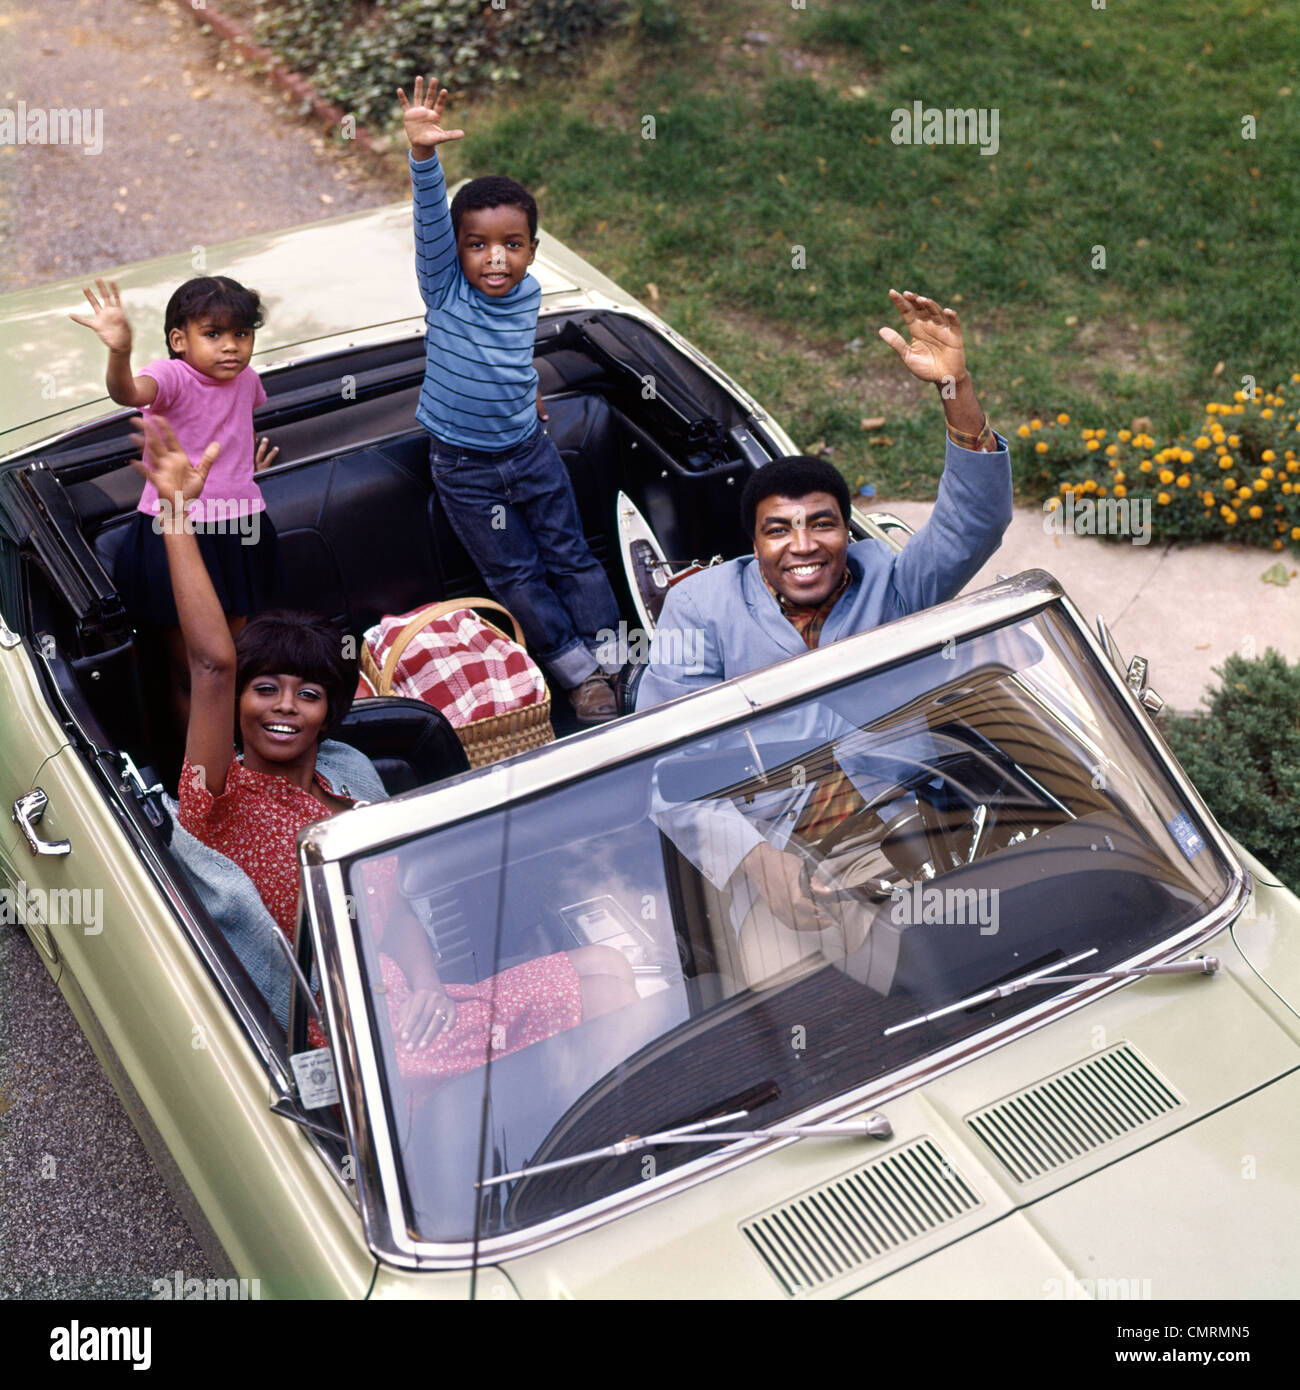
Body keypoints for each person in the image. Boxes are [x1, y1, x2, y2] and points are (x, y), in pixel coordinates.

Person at [133, 413, 636, 1079]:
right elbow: (212, 664)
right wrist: (175, 518)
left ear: (332, 712)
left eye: (307, 694)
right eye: (267, 690)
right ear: (239, 703)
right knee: (609, 990)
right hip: (353, 1050)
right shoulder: (220, 799)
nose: (284, 707)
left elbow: (391, 907)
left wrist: (427, 984)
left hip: (417, 1011)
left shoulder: (351, 781)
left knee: (610, 966)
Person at [637, 290, 1013, 981]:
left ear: (848, 530)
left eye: (823, 523)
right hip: (769, 843)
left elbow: (974, 522)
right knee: (788, 1000)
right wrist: (755, 860)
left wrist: (955, 388)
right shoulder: (701, 609)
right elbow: (663, 766)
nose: (803, 546)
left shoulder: (893, 582)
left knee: (956, 957)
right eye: (778, 529)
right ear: (751, 544)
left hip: (908, 822)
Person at [397, 75, 622, 723]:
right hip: (465, 470)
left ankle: (615, 657)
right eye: (477, 246)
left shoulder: (527, 294)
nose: (495, 260)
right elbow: (429, 227)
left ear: (532, 251)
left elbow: (503, 357)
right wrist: (422, 156)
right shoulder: (445, 289)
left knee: (573, 555)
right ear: (458, 252)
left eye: (511, 245)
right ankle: (578, 675)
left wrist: (527, 395)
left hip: (529, 449)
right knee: (517, 575)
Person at [70, 275, 280, 723]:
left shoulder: (247, 381)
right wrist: (120, 351)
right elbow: (127, 393)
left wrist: (243, 474)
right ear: (179, 340)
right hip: (177, 529)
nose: (231, 346)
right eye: (213, 333)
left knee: (233, 660)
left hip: (241, 524)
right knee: (195, 670)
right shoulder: (171, 376)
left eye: (242, 334)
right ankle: (193, 777)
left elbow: (226, 429)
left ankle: (238, 757)